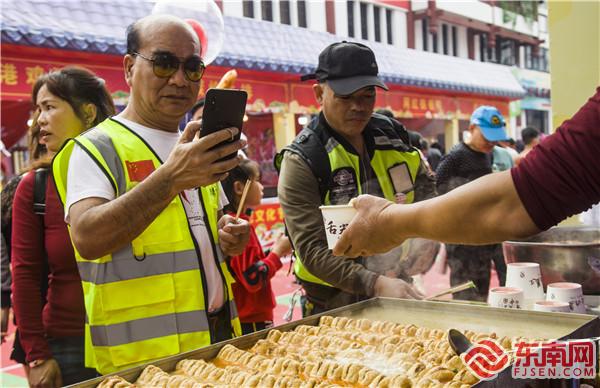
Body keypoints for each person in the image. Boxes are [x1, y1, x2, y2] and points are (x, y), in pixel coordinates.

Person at [51, 15, 250, 374]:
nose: (178, 79)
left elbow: (200, 232)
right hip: (144, 364)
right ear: (129, 67)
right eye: (163, 63)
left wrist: (227, 236)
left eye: (192, 67)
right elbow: (87, 238)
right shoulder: (96, 148)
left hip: (217, 345)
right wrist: (171, 178)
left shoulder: (194, 143)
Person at [333, 88, 600, 257]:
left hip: (490, 232)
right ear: (472, 128)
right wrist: (395, 224)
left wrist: (392, 222)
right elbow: (519, 196)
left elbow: (519, 199)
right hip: (460, 233)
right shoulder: (455, 156)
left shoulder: (498, 155)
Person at [276, 42, 433, 316]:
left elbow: (428, 190)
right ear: (318, 92)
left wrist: (429, 242)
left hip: (396, 283)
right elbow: (312, 250)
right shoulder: (303, 159)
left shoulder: (393, 137)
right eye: (346, 96)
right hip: (332, 303)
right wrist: (374, 283)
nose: (359, 107)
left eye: (367, 95)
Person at [12, 67, 115, 387]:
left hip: (129, 338)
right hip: (67, 344)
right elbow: (25, 275)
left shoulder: (123, 174)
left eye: (50, 107)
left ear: (87, 112)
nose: (39, 120)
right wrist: (37, 356)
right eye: (37, 109)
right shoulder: (35, 187)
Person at [429, 106, 508, 300]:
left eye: (495, 137)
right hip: (462, 238)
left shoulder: (486, 154)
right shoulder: (455, 157)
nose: (492, 142)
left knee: (483, 286)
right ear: (472, 128)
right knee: (465, 290)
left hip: (484, 234)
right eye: (487, 136)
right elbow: (438, 192)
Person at [222, 159, 292, 334]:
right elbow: (252, 278)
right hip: (252, 320)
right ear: (239, 188)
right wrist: (278, 252)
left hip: (248, 315)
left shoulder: (234, 222)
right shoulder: (239, 228)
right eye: (257, 180)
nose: (261, 187)